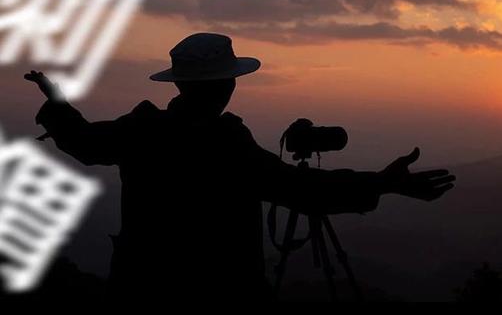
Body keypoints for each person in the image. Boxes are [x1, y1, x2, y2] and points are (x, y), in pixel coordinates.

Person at [24, 32, 455, 302]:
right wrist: (384, 182)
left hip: (141, 286)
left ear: (178, 83)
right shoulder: (227, 145)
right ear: (228, 85)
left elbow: (84, 142)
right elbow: (300, 189)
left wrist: (58, 104)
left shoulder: (143, 129)